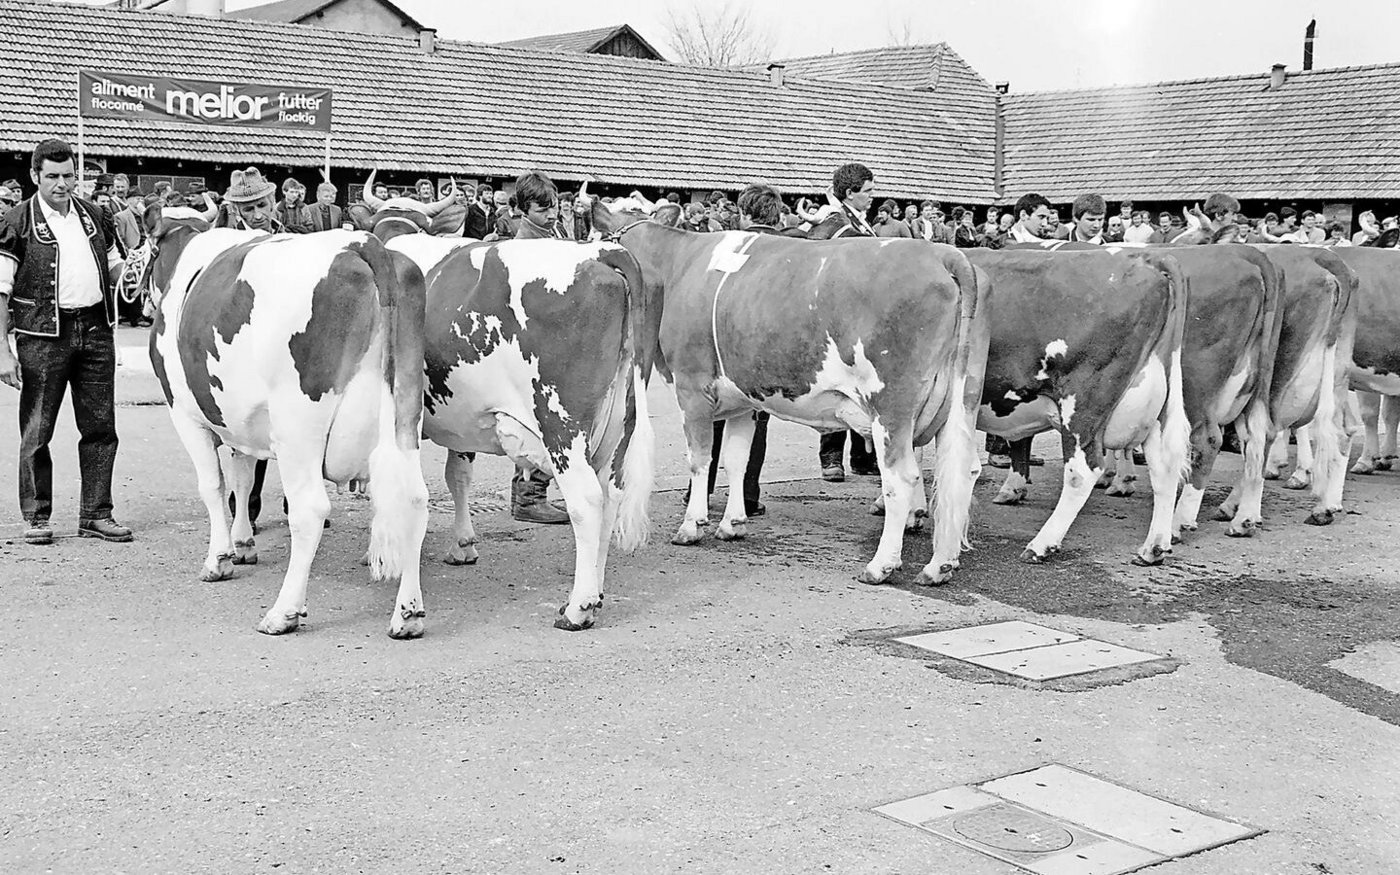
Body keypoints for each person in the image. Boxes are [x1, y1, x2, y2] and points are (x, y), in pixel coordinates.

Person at [0, 138, 131, 545]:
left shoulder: (95, 215)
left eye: (68, 176)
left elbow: (116, 271)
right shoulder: (17, 221)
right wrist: (2, 352)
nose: (62, 184)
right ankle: (37, 517)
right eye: (53, 176)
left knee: (100, 427)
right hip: (42, 335)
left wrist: (144, 270)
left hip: (95, 329)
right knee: (37, 430)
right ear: (35, 176)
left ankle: (96, 514)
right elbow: (0, 291)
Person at [807, 162, 879, 480]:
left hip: (862, 314)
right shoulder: (833, 223)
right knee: (837, 386)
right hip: (836, 315)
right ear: (850, 193)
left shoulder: (858, 221)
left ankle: (863, 458)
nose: (873, 197)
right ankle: (831, 458)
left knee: (862, 385)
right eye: (868, 192)